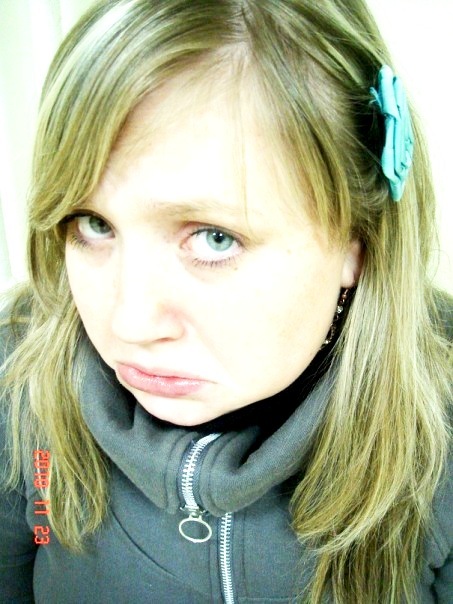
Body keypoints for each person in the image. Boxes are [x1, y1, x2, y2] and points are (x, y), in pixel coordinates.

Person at [0, 0, 451, 602]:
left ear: (357, 240)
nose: (130, 322)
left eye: (214, 239)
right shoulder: (18, 380)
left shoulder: (441, 435)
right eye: (94, 224)